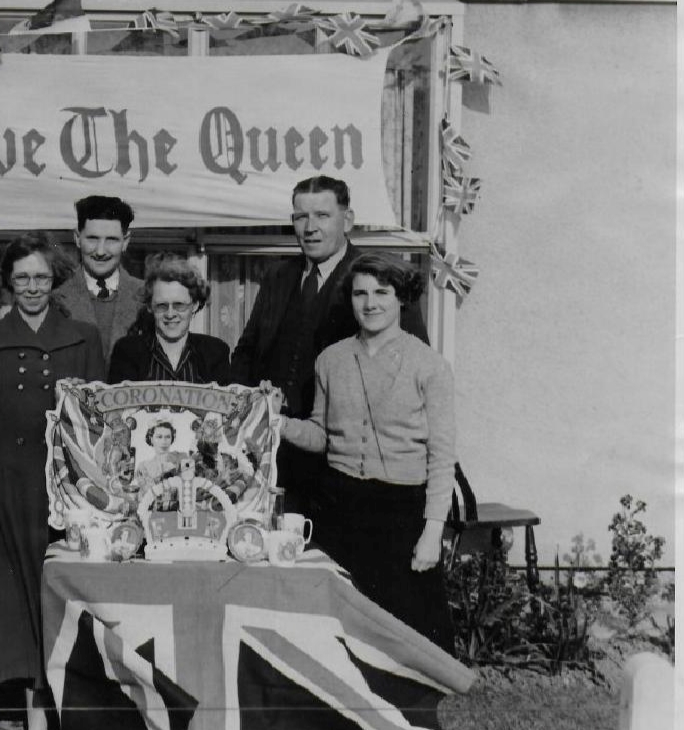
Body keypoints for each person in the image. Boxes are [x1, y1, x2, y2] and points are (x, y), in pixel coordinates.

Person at [0, 234, 105, 730]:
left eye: (40, 277)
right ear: (8, 283)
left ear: (54, 280)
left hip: (56, 503)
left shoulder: (83, 338)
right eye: (22, 278)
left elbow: (98, 433)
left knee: (43, 622)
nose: (32, 287)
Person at [279, 252, 455, 659]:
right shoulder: (330, 360)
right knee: (338, 632)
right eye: (360, 293)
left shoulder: (430, 366)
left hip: (401, 512)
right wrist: (279, 423)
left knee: (407, 634)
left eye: (381, 292)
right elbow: (321, 435)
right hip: (339, 507)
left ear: (401, 298)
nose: (370, 303)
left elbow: (442, 456)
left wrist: (432, 533)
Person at [230, 175, 428, 516]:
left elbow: (410, 367)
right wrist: (249, 415)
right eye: (301, 217)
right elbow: (247, 353)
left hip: (342, 467)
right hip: (274, 455)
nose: (310, 227)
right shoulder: (278, 276)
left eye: (322, 215)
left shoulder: (376, 278)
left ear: (347, 220)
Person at [51, 195, 148, 365]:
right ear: (77, 238)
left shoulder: (148, 296)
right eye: (92, 239)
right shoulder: (54, 297)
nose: (101, 251)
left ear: (125, 241)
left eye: (111, 240)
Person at [108, 254, 230, 384]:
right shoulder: (128, 351)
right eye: (162, 305)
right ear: (150, 306)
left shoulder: (215, 352)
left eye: (179, 305)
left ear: (194, 305)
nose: (170, 314)